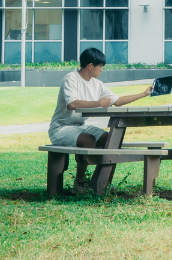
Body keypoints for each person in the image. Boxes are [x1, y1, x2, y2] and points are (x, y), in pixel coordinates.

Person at [49, 47, 151, 194]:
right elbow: (72, 104)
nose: (102, 70)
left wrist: (144, 94)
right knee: (88, 140)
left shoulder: (97, 84)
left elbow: (118, 101)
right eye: (100, 66)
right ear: (90, 66)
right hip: (61, 128)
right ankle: (79, 182)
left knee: (111, 140)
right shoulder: (71, 79)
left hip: (80, 127)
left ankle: (101, 182)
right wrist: (98, 103)